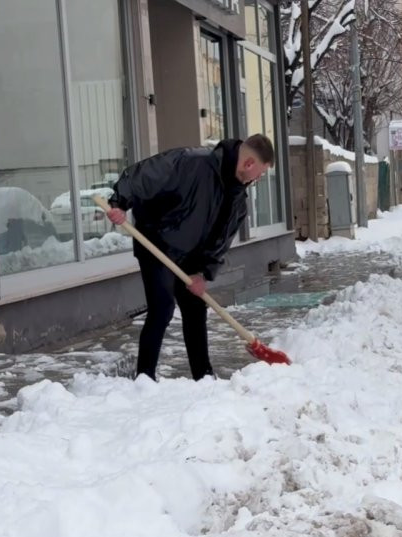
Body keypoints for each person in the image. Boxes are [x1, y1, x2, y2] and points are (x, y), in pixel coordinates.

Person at [106, 134, 275, 381]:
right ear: (249, 164)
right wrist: (119, 202)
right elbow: (144, 175)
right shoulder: (191, 162)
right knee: (162, 308)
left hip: (191, 257)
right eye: (259, 173)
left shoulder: (237, 199)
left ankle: (204, 377)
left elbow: (220, 242)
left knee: (196, 308)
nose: (258, 179)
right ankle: (144, 378)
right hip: (157, 243)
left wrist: (203, 273)